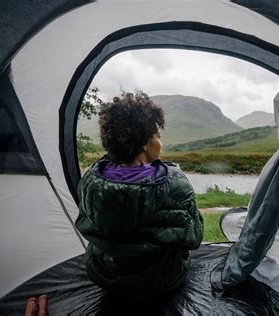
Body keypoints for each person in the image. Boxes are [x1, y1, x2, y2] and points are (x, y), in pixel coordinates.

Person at [75, 91, 204, 300]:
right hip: (159, 283)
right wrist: (174, 175)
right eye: (157, 136)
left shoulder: (90, 180)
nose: (160, 143)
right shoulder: (175, 184)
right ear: (145, 143)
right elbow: (195, 236)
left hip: (103, 276)